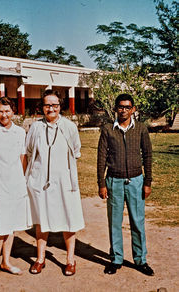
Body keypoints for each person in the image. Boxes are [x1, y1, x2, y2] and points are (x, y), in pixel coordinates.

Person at [26, 90, 84, 276]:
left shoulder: (69, 127)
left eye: (55, 105)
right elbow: (28, 152)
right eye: (47, 105)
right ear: (42, 107)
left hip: (64, 182)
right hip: (40, 182)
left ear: (60, 106)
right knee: (42, 221)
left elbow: (76, 150)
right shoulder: (35, 127)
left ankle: (70, 260)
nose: (51, 108)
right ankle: (40, 259)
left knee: (69, 220)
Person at [97, 93, 154, 276]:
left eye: (127, 107)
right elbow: (101, 158)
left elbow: (148, 155)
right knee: (115, 222)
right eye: (120, 107)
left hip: (136, 181)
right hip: (114, 181)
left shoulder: (141, 129)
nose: (124, 110)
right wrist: (101, 183)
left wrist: (147, 181)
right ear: (115, 108)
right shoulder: (107, 129)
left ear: (133, 109)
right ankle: (116, 259)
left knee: (137, 222)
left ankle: (140, 260)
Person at [0, 97, 32, 282]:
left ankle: (7, 262)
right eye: (0, 111)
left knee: (10, 226)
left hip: (15, 185)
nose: (4, 115)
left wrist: (21, 181)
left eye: (7, 111)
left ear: (13, 112)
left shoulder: (20, 132)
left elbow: (22, 159)